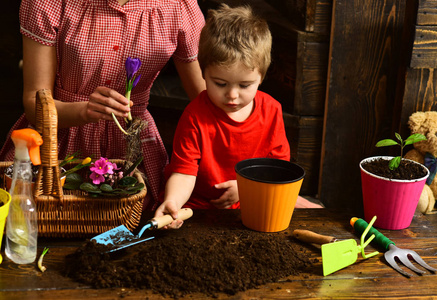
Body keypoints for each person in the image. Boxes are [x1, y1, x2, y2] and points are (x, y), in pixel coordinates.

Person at [0, 0, 206, 211]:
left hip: (134, 150)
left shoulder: (179, 5)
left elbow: (211, 108)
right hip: (56, 149)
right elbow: (35, 103)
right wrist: (84, 111)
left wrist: (235, 176)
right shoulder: (49, 3)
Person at [155, 4, 321, 228]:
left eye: (245, 85)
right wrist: (172, 202)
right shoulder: (195, 115)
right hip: (198, 209)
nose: (232, 95)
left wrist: (245, 189)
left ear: (261, 76)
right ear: (203, 72)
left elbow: (276, 171)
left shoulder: (271, 110)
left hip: (252, 205)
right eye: (220, 83)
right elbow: (184, 172)